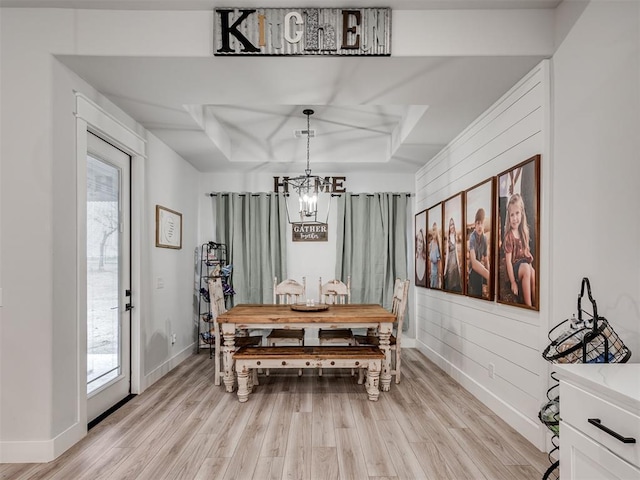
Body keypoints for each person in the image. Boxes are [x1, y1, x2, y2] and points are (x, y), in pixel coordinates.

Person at [504, 193, 535, 307]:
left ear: (521, 213)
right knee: (526, 269)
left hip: (524, 265)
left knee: (532, 272)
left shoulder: (523, 232)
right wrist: (513, 282)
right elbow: (508, 261)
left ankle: (534, 302)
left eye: (517, 213)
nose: (515, 218)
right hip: (515, 268)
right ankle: (528, 304)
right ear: (509, 217)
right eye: (512, 215)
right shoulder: (509, 236)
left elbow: (526, 253)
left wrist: (530, 265)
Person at [468, 208, 490, 298]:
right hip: (473, 271)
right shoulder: (472, 237)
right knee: (475, 293)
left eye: (482, 223)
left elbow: (486, 259)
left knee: (481, 294)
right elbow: (473, 263)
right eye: (478, 223)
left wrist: (488, 279)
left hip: (481, 268)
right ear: (475, 225)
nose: (480, 226)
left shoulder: (484, 238)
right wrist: (488, 274)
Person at [443, 217, 462, 292]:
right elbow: (447, 253)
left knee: (457, 283)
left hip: (455, 264)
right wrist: (445, 270)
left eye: (453, 224)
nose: (452, 226)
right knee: (450, 282)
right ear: (449, 226)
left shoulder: (456, 236)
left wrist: (458, 264)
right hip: (450, 264)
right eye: (450, 224)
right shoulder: (448, 238)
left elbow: (457, 252)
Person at [428, 222, 441, 288]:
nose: (434, 231)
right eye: (433, 229)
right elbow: (429, 260)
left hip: (436, 274)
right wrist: (429, 272)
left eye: (435, 229)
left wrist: (439, 275)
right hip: (431, 274)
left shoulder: (438, 245)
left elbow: (439, 262)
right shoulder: (430, 244)